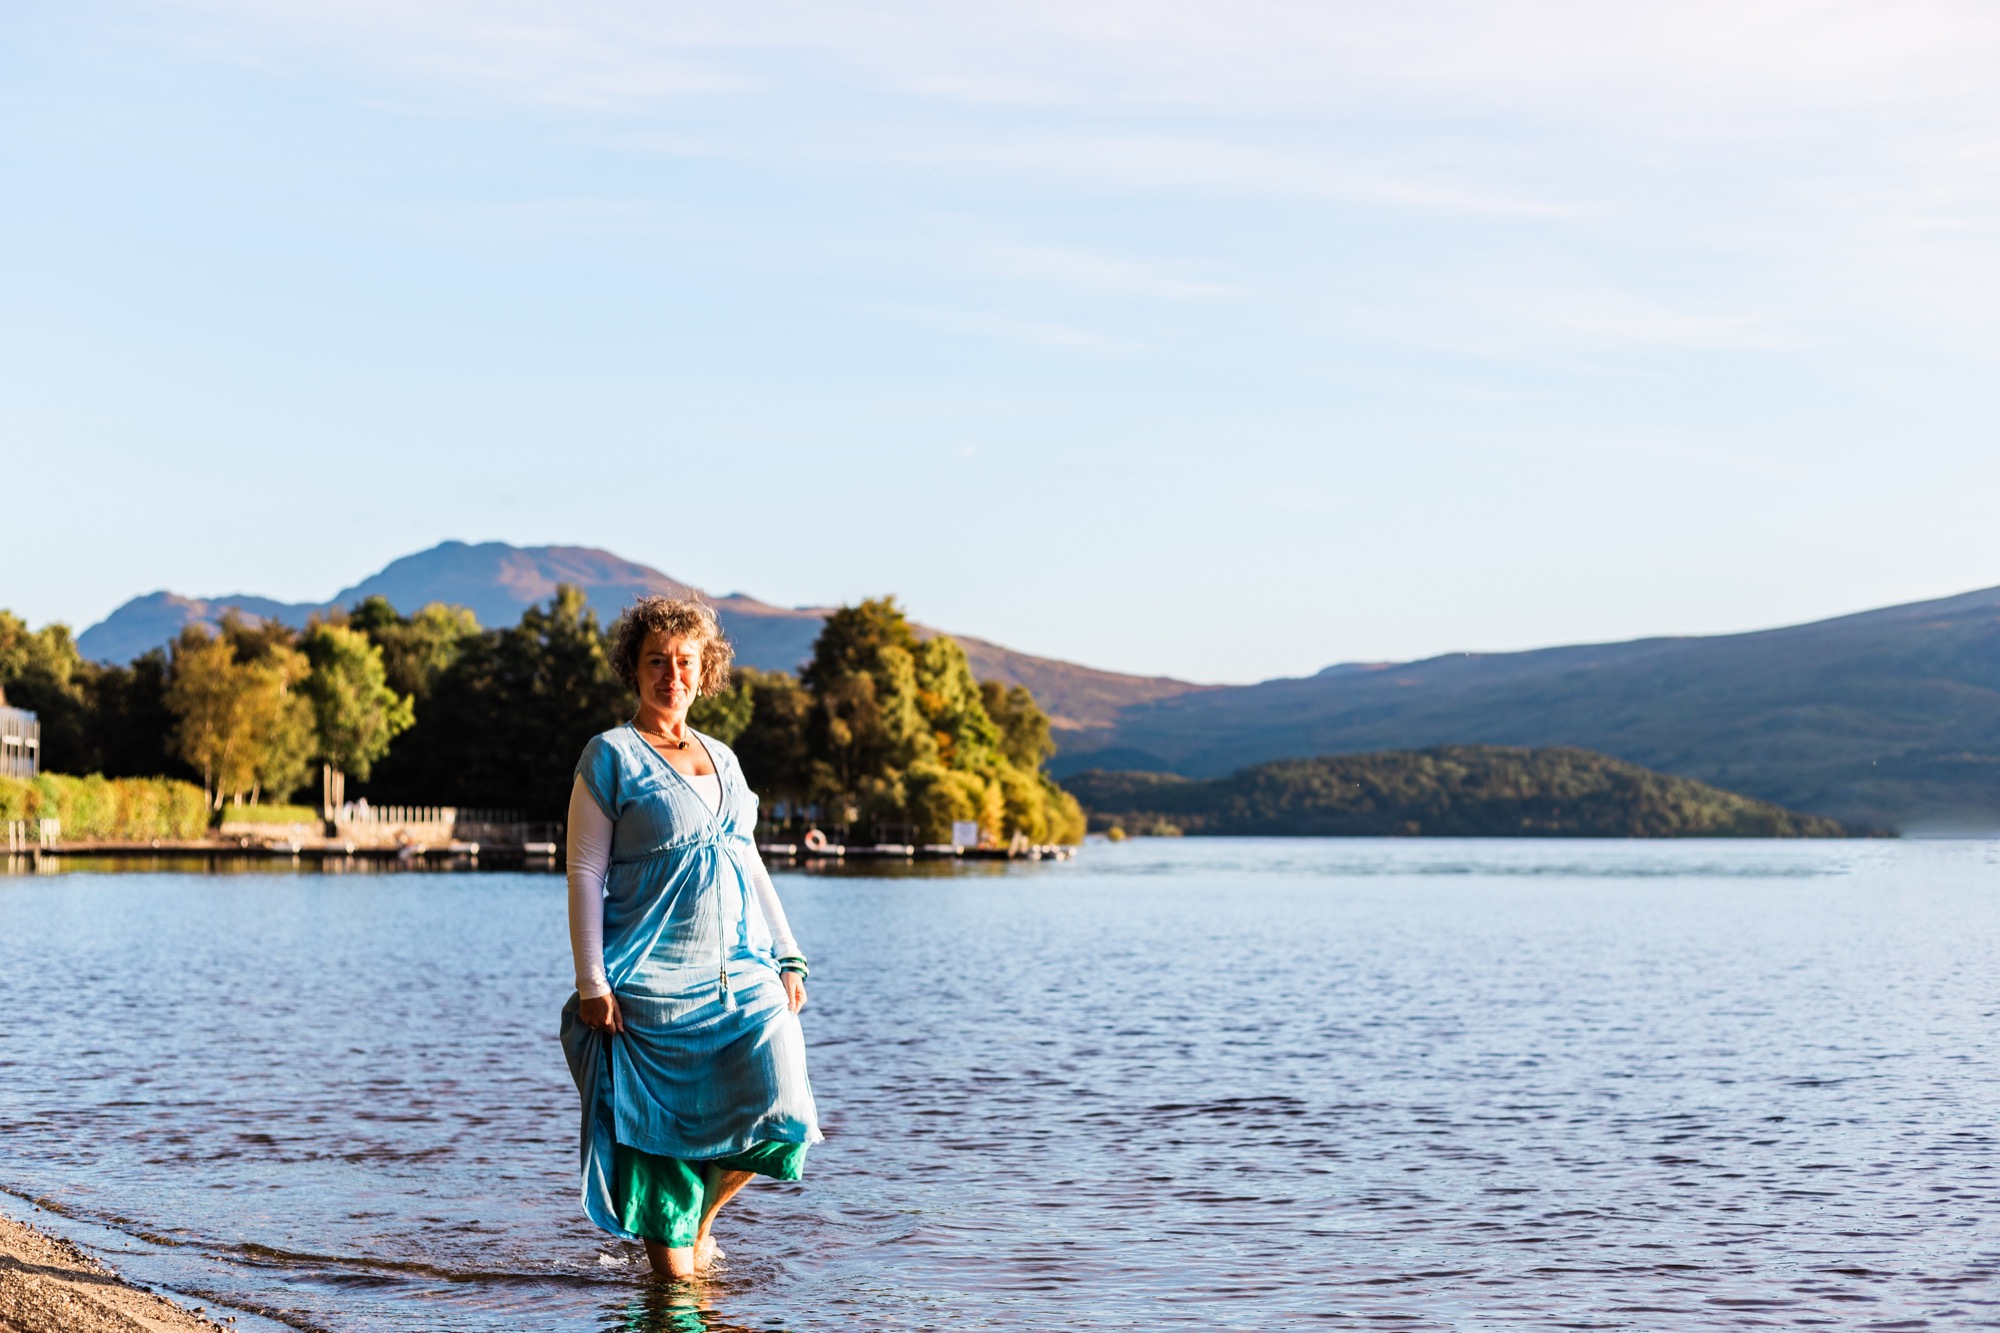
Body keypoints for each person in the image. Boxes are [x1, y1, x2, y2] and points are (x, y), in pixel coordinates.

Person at [559, 596, 821, 1279]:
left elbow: (748, 858)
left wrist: (787, 952)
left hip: (738, 971)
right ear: (634, 669)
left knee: (783, 1106)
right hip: (646, 979)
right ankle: (673, 1260)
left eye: (684, 662)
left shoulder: (725, 759)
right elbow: (585, 871)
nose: (670, 675)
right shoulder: (610, 755)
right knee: (662, 1180)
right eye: (656, 661)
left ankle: (696, 1223)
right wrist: (593, 981)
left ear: (705, 671)